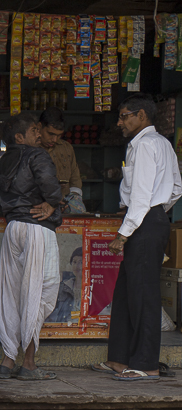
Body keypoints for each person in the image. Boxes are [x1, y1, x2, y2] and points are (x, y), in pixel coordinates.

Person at [92, 94, 182, 381]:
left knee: (142, 294)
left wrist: (124, 232)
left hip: (143, 222)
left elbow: (141, 196)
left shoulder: (144, 145)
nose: (119, 122)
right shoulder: (163, 144)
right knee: (126, 292)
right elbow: (176, 188)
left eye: (124, 115)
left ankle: (146, 364)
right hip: (151, 219)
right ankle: (119, 359)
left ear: (141, 115)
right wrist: (157, 211)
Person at [0, 112, 62, 380]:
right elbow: (51, 187)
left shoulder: (0, 164)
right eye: (34, 131)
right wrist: (54, 202)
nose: (40, 135)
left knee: (11, 294)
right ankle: (29, 364)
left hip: (13, 229)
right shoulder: (37, 156)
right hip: (37, 228)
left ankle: (7, 360)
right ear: (20, 137)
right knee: (40, 292)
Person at [40, 107, 84, 205]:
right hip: (40, 207)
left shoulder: (66, 148)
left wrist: (73, 200)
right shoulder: (31, 149)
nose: (54, 139)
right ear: (39, 127)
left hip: (65, 206)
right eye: (50, 134)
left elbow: (75, 178)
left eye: (59, 135)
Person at [46, 247, 82, 323]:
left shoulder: (94, 289)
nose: (77, 266)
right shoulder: (62, 287)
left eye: (81, 262)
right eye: (74, 262)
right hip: (64, 330)